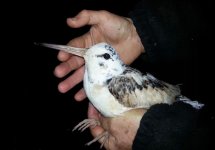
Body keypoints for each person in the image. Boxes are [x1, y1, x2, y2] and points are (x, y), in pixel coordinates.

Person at [53, 0, 213, 149]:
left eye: (98, 55)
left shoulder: (119, 85)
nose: (86, 53)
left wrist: (154, 135)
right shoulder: (91, 79)